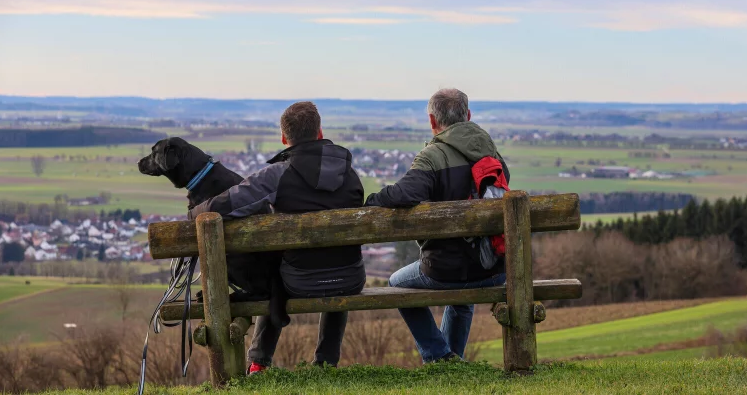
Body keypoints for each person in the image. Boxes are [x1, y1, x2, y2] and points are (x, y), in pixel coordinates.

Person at [190, 101, 366, 373]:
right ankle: (326, 363)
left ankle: (259, 361)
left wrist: (193, 215)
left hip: (299, 281)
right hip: (351, 278)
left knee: (277, 272)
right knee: (336, 263)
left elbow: (225, 205)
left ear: (285, 138)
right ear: (320, 133)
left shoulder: (277, 174)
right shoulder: (350, 174)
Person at [365, 88, 508, 363]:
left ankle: (439, 357)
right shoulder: (493, 155)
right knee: (461, 294)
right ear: (468, 116)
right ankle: (452, 359)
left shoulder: (433, 156)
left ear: (432, 121)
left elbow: (404, 194)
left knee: (396, 285)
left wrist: (372, 200)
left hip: (447, 269)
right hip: (495, 268)